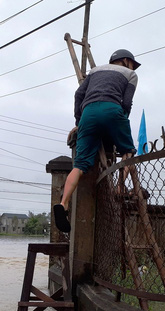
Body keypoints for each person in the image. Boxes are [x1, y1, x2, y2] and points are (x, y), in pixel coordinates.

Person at [53, 49, 141, 233]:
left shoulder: (95, 71)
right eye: (133, 63)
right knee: (129, 152)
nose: (134, 67)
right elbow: (127, 103)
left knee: (80, 165)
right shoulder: (131, 74)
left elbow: (78, 95)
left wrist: (79, 121)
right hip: (113, 110)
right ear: (125, 60)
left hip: (88, 113)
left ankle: (63, 203)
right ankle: (119, 187)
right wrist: (119, 123)